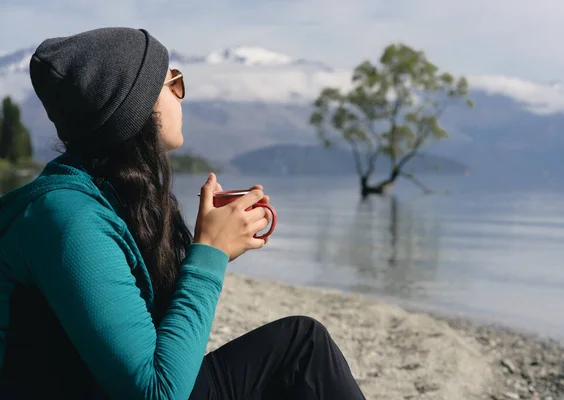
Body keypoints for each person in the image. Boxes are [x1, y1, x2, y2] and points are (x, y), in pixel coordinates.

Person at [0, 27, 366, 399]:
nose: (181, 96)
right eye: (174, 82)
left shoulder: (106, 195)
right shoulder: (68, 220)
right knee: (303, 348)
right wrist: (210, 255)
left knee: (300, 345)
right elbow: (158, 393)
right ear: (140, 107)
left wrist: (211, 245)